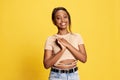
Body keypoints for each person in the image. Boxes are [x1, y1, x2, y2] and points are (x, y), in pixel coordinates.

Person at [43, 7, 87, 80]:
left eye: (65, 17)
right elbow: (46, 65)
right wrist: (62, 50)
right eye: (58, 18)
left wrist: (67, 45)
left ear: (68, 19)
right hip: (56, 76)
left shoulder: (77, 37)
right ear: (54, 21)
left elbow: (84, 59)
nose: (62, 20)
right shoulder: (50, 39)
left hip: (73, 76)